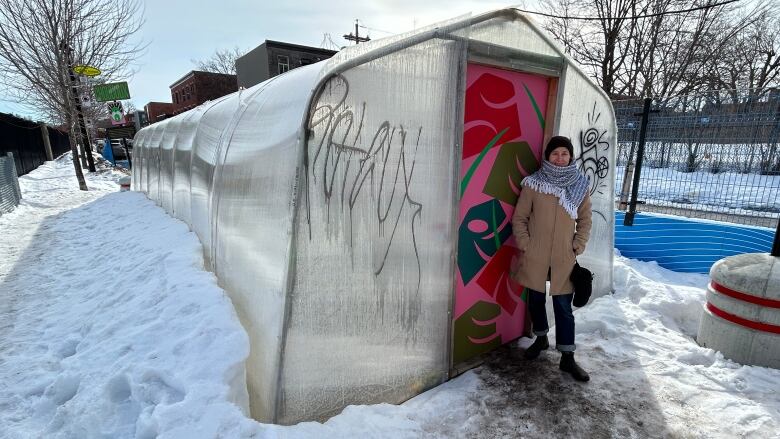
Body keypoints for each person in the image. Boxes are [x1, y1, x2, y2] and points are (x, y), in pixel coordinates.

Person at [511, 135, 592, 382]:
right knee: (535, 300)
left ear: (570, 157)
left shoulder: (579, 185)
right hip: (536, 255)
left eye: (564, 154)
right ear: (548, 156)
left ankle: (567, 357)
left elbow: (585, 220)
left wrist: (577, 245)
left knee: (563, 308)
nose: (560, 158)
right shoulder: (534, 184)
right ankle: (541, 338)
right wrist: (527, 244)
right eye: (555, 153)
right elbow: (520, 218)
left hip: (563, 257)